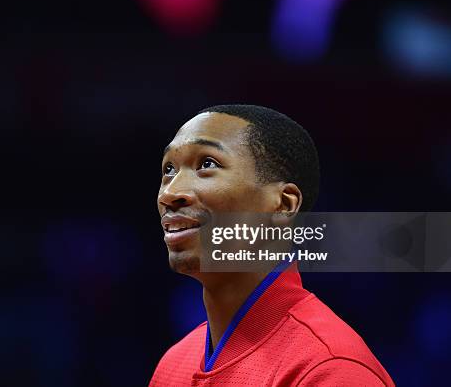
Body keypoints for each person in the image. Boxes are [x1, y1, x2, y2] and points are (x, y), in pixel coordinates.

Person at [150, 104, 394, 386]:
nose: (169, 193)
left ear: (283, 204)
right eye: (168, 169)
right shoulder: (173, 364)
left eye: (207, 164)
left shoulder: (330, 370)